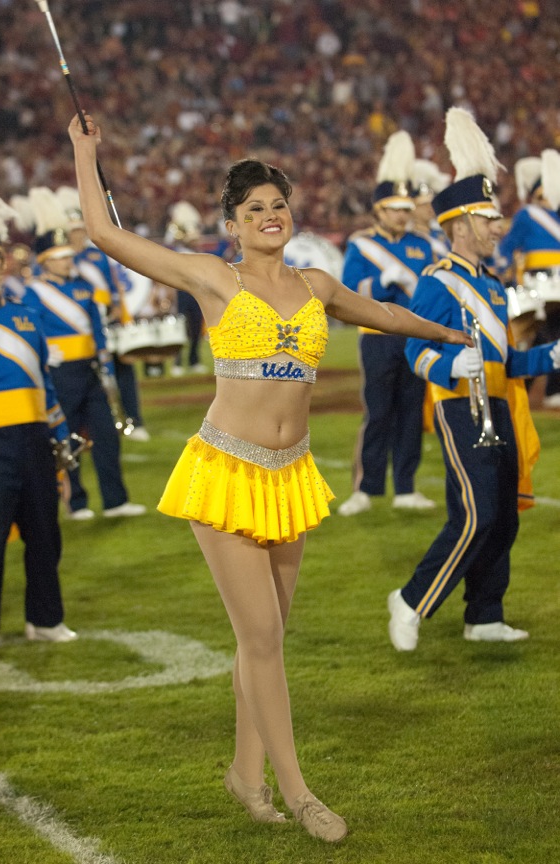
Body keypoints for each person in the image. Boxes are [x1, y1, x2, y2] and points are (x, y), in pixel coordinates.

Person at [69, 111, 470, 842]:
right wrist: (82, 152)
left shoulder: (317, 284)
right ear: (233, 224)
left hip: (290, 475)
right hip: (225, 471)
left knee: (269, 636)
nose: (269, 216)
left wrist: (448, 334)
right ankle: (300, 792)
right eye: (254, 208)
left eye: (278, 205)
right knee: (261, 638)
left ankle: (244, 773)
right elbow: (107, 236)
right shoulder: (212, 279)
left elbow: (379, 312)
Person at [389, 108, 560, 652]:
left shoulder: (492, 285)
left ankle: (484, 614)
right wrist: (445, 366)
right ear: (460, 224)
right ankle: (412, 599)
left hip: (500, 404)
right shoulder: (437, 281)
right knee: (479, 513)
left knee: (504, 516)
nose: (498, 227)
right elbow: (413, 349)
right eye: (488, 218)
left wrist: (553, 355)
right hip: (458, 406)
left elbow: (509, 363)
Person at [0, 194, 77, 663]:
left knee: (45, 530)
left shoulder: (25, 315)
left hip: (34, 437)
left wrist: (59, 434)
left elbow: (44, 380)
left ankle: (44, 619)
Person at [23, 188, 146, 521]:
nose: (68, 259)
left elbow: (96, 326)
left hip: (89, 369)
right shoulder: (33, 293)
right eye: (61, 256)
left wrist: (104, 358)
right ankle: (76, 503)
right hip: (60, 373)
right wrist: (47, 355)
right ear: (47, 260)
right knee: (70, 437)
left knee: (106, 436)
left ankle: (115, 500)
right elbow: (32, 333)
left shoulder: (82, 287)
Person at [338, 131, 436, 516]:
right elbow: (349, 289)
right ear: (379, 209)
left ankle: (406, 487)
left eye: (405, 207)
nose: (402, 213)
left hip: (412, 337)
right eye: (394, 207)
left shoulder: (422, 244)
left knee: (412, 412)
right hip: (377, 337)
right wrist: (382, 281)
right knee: (378, 412)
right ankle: (366, 487)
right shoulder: (361, 244)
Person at [56, 186, 151, 441]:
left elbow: (113, 285)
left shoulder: (96, 255)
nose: (77, 235)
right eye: (73, 231)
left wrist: (119, 307)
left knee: (123, 369)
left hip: (106, 319)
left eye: (79, 229)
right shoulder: (59, 261)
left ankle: (135, 421)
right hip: (81, 326)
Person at [496, 151, 560, 403]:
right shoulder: (527, 215)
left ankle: (553, 389)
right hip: (538, 285)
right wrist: (503, 269)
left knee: (552, 333)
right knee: (538, 334)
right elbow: (507, 247)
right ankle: (524, 386)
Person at [165, 201, 208, 378]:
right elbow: (169, 242)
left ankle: (194, 360)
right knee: (180, 330)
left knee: (196, 328)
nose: (196, 242)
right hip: (181, 292)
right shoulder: (177, 251)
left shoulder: (198, 255)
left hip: (196, 293)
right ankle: (177, 362)